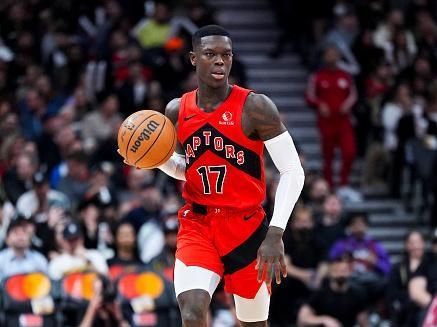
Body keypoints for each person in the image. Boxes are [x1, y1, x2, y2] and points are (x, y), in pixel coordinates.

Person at [121, 25, 305, 326]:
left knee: (253, 323)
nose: (220, 61)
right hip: (199, 224)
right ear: (194, 58)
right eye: (210, 54)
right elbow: (187, 169)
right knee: (192, 312)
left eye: (226, 55)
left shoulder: (256, 107)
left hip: (247, 227)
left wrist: (275, 233)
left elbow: (292, 171)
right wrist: (154, 160)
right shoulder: (176, 110)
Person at [297, 259, 368, 327]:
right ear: (331, 272)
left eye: (344, 270)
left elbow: (364, 323)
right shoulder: (320, 293)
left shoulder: (356, 295)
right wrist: (324, 320)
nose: (341, 274)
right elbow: (302, 318)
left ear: (350, 272)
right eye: (338, 270)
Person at [0, 216, 48, 280]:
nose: (20, 236)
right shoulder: (1, 259)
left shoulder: (39, 260)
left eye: (24, 232)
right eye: (16, 232)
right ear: (7, 239)